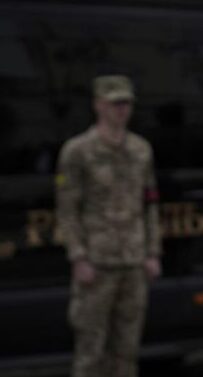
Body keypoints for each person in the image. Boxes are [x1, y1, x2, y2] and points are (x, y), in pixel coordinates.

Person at [56, 75, 162, 377]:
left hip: (133, 263)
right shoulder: (77, 151)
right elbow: (67, 209)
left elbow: (150, 204)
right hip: (97, 266)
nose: (122, 110)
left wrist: (152, 252)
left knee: (127, 351)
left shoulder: (141, 150)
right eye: (115, 103)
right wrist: (78, 256)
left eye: (126, 103)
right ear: (98, 105)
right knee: (91, 351)